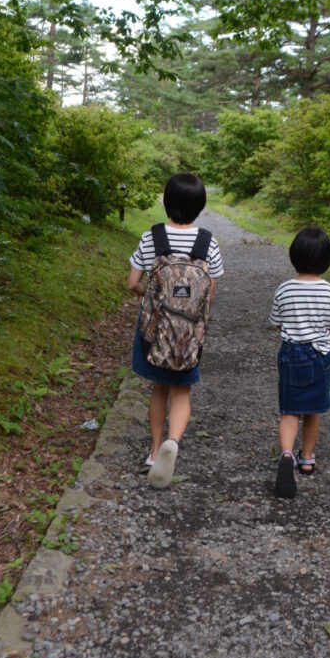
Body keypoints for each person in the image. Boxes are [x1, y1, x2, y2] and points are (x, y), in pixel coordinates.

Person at [128, 173, 223, 488]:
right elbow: (209, 293)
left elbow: (132, 284)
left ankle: (155, 453)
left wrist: (155, 300)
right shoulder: (208, 242)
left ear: (167, 202)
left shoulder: (151, 238)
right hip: (189, 336)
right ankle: (174, 443)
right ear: (200, 206)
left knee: (158, 388)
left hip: (154, 333)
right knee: (182, 392)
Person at [269, 226, 330, 498]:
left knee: (290, 411)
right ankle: (306, 458)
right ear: (327, 260)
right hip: (319, 357)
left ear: (294, 256)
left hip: (291, 353)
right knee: (313, 410)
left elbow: (275, 322)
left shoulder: (284, 289)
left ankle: (286, 454)